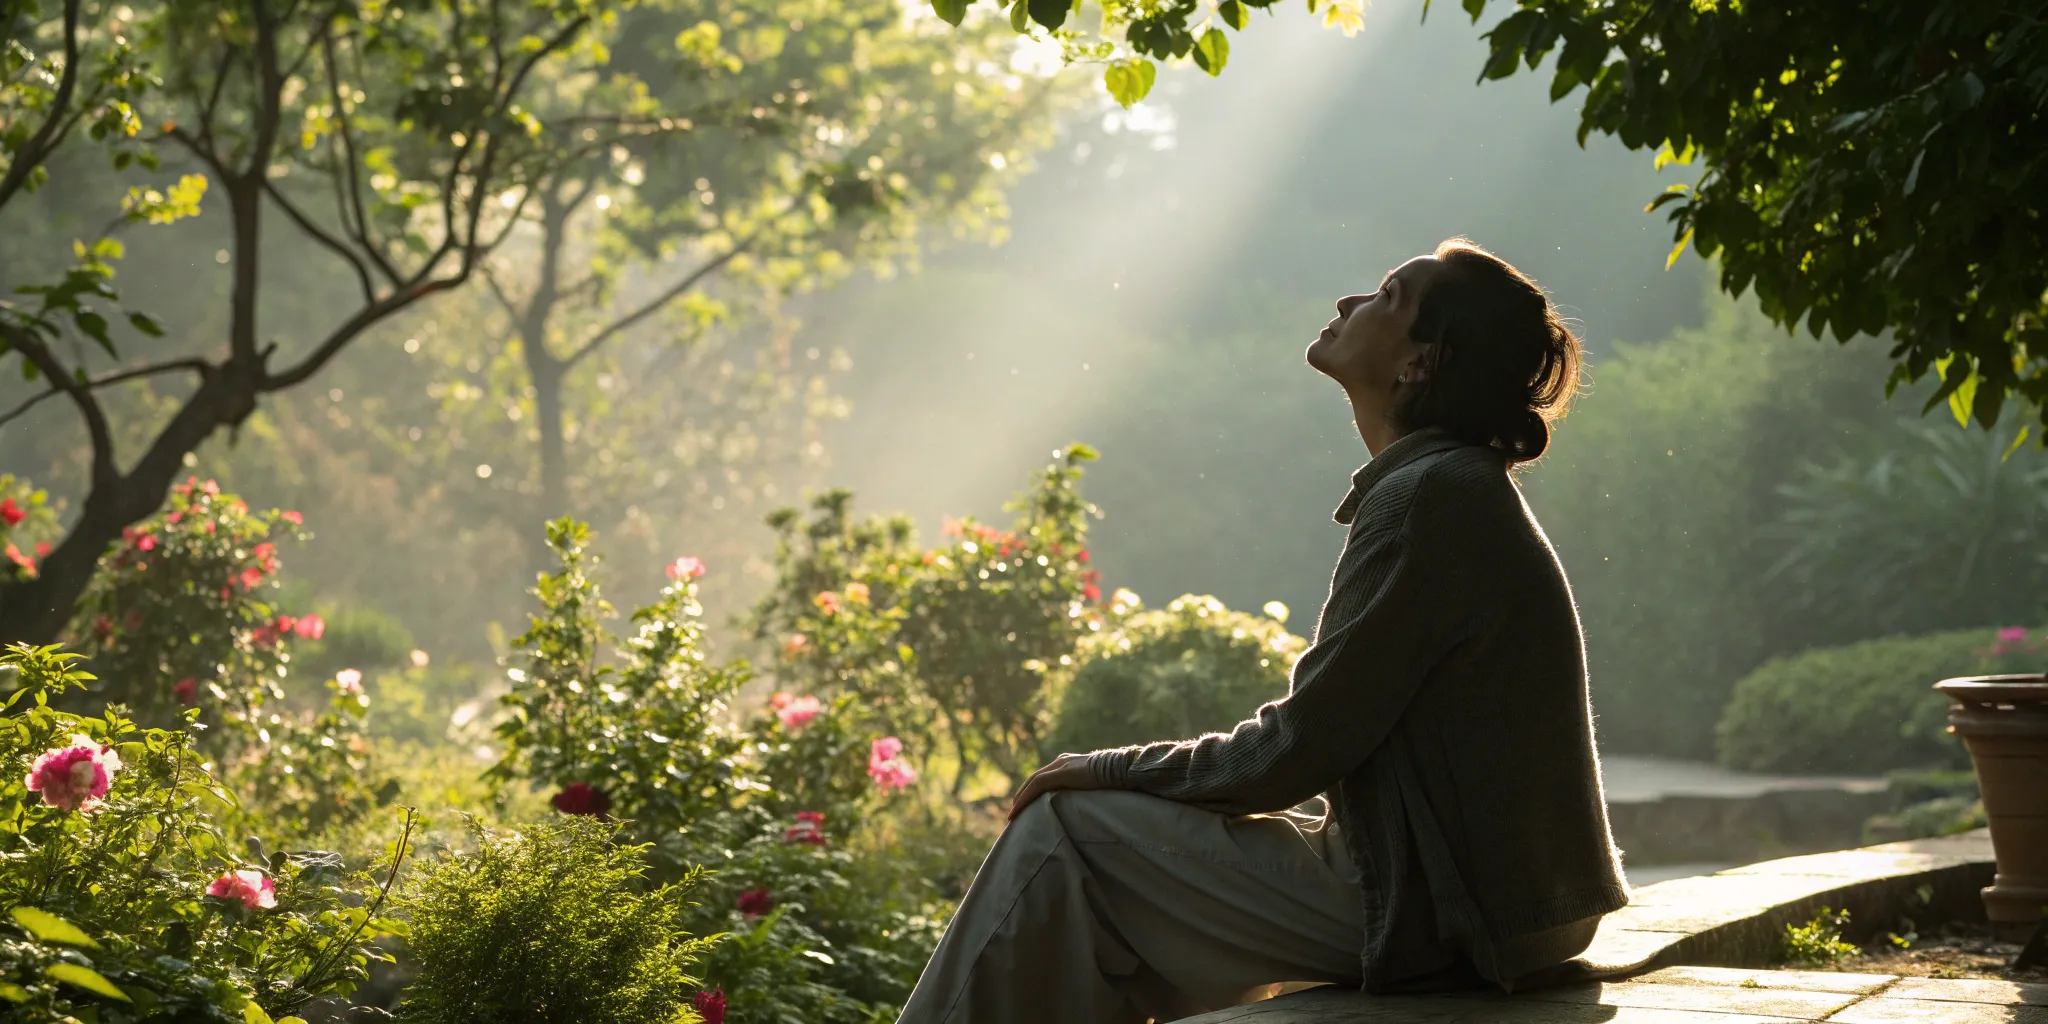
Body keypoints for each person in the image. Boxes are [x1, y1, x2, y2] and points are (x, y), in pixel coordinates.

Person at [894, 237, 1631, 1024]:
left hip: (1461, 912)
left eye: (1388, 296)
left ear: (1422, 364)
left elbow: (1297, 749)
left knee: (1064, 830)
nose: (1350, 303)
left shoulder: (1428, 499)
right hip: (1504, 902)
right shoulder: (1449, 486)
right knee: (1118, 907)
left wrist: (1107, 769)